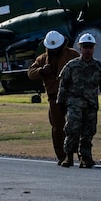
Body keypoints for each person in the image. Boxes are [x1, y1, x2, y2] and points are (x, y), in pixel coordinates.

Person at [55, 37, 101, 168]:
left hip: (91, 105)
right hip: (74, 104)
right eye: (85, 47)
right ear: (80, 48)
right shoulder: (71, 66)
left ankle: (85, 158)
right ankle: (68, 157)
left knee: (89, 132)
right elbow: (63, 85)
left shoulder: (98, 67)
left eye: (90, 47)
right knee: (72, 130)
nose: (87, 50)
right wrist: (61, 102)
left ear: (93, 49)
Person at [27, 31, 78, 162]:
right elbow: (30, 73)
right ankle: (62, 156)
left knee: (75, 125)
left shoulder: (72, 54)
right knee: (57, 127)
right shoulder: (42, 58)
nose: (54, 50)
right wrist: (41, 71)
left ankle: (78, 153)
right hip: (54, 97)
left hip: (71, 95)